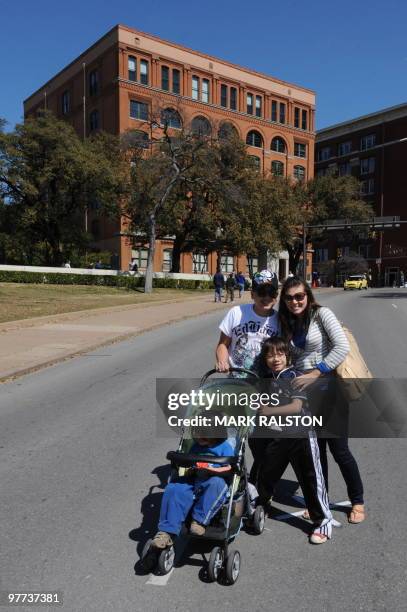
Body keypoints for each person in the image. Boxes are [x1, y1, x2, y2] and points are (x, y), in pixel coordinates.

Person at [278, 277, 366, 525]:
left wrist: (316, 372)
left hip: (330, 390)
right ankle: (321, 501)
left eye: (299, 296)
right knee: (315, 454)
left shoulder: (322, 314)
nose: (295, 301)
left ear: (307, 295)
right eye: (289, 297)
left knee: (339, 450)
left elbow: (342, 347)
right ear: (283, 300)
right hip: (304, 396)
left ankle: (357, 501)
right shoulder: (286, 322)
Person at [250, 336, 333, 544]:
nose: (275, 358)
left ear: (288, 356)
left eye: (279, 354)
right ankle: (262, 506)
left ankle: (322, 521)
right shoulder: (269, 378)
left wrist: (269, 411)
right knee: (266, 473)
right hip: (277, 436)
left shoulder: (295, 375)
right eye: (270, 355)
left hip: (300, 436)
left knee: (310, 479)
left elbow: (296, 407)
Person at [151, 423, 234, 548]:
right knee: (174, 487)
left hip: (216, 480)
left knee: (215, 484)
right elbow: (190, 462)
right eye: (197, 432)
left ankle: (198, 521)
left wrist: (211, 469)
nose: (199, 437)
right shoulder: (196, 447)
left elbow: (229, 468)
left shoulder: (225, 447)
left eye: (204, 434)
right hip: (195, 478)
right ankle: (166, 531)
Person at [215, 270, 280, 373]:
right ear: (252, 294)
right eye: (262, 292)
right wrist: (222, 361)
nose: (267, 297)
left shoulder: (280, 320)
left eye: (271, 293)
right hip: (238, 381)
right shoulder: (236, 313)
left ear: (276, 295)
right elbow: (223, 344)